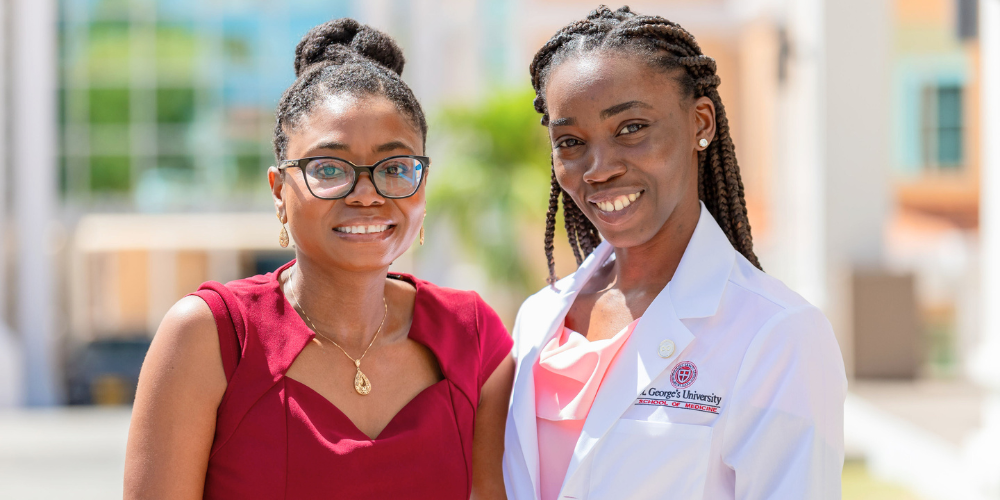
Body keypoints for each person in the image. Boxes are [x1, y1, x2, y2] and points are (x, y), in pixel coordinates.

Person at [124, 18, 513, 500]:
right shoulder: (213, 336)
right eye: (328, 168)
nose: (367, 194)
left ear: (423, 185)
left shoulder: (471, 335)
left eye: (395, 168)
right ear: (279, 192)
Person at [502, 6, 847, 500]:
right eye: (571, 141)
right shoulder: (538, 321)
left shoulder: (779, 335)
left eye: (630, 128)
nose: (598, 169)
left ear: (699, 122)